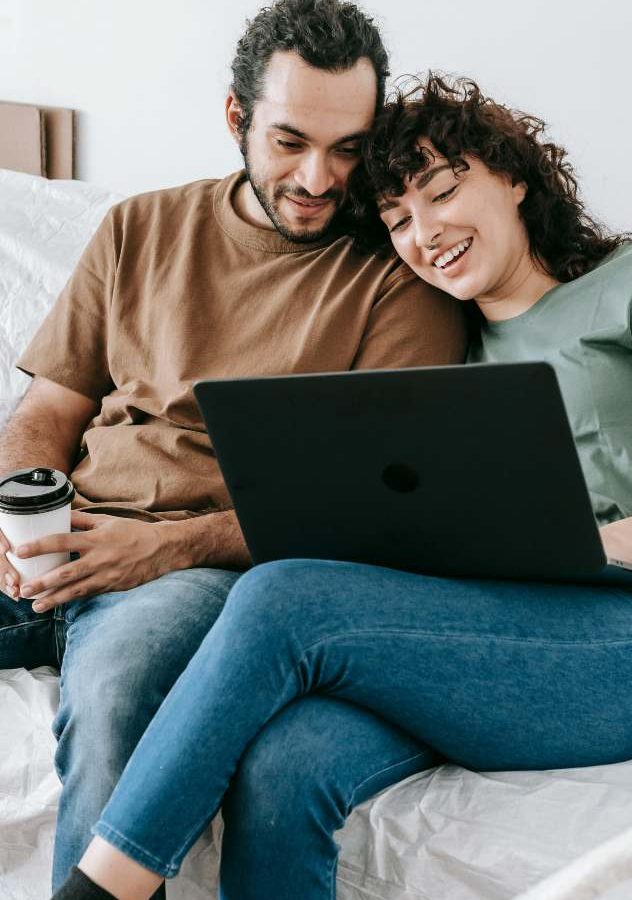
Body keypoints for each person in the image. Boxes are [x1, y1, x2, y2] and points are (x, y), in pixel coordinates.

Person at [50, 75, 632, 900]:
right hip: (492, 630)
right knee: (282, 761)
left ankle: (97, 890)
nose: (425, 232)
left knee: (284, 594)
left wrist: (584, 545)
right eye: (399, 220)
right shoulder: (442, 356)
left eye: (442, 192)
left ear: (514, 175)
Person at [0, 5, 466, 895]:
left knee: (114, 700)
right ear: (234, 119)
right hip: (63, 536)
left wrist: (165, 546)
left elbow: (370, 512)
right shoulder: (138, 228)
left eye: (347, 149)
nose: (319, 178)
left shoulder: (398, 278)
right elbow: (49, 406)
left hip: (202, 571)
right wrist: (16, 509)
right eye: (291, 141)